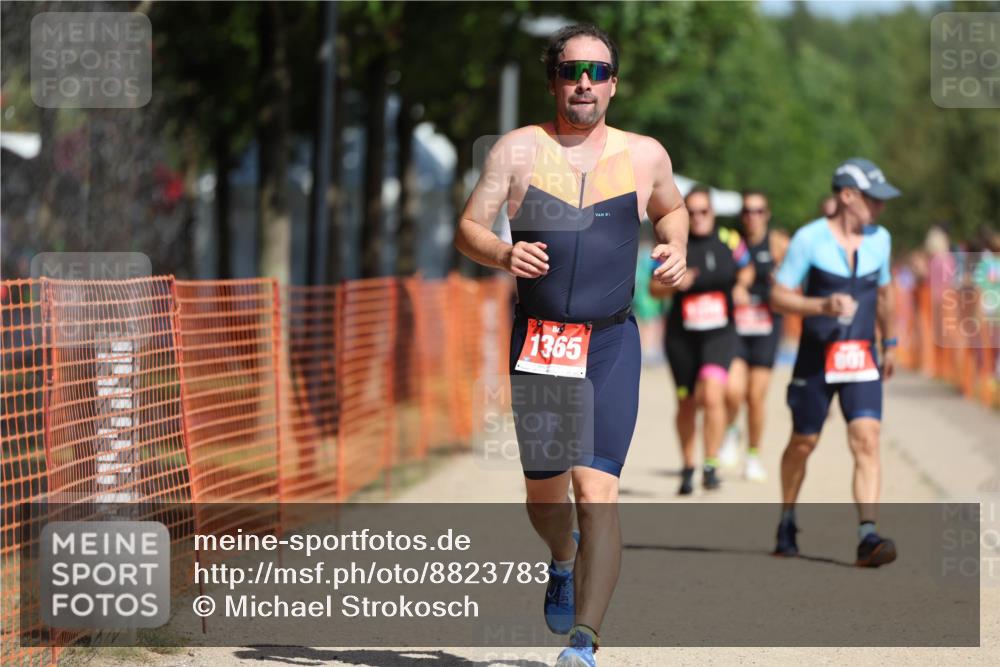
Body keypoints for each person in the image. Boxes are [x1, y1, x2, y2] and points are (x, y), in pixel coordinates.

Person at [454, 24, 688, 667]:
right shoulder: (519, 150)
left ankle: (585, 642)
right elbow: (467, 229)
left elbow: (673, 209)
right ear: (553, 79)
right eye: (571, 70)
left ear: (614, 83)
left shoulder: (645, 155)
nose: (584, 83)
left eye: (597, 71)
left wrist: (677, 247)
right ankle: (562, 559)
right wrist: (503, 251)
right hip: (540, 345)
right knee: (545, 495)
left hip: (611, 342)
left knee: (598, 489)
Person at [770, 157, 900, 567]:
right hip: (816, 357)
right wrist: (820, 304)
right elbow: (778, 296)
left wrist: (891, 343)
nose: (879, 208)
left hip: (862, 356)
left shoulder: (881, 239)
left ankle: (868, 535)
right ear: (847, 196)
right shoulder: (810, 239)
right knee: (804, 442)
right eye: (873, 199)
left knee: (867, 438)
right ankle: (787, 517)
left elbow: (884, 294)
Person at [652, 186, 754, 495]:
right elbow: (652, 289)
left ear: (713, 213)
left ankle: (711, 463)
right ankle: (687, 467)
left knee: (712, 395)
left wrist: (741, 285)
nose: (697, 218)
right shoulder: (674, 244)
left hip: (719, 333)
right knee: (686, 403)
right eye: (691, 212)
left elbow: (747, 267)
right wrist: (673, 285)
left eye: (703, 212)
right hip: (682, 336)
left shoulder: (729, 241)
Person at [719, 190, 789, 482]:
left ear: (767, 214)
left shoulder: (778, 243)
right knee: (733, 391)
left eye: (759, 211)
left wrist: (782, 279)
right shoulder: (732, 243)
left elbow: (798, 278)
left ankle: (753, 455)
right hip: (736, 325)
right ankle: (732, 431)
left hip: (766, 327)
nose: (753, 216)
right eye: (748, 211)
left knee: (756, 396)